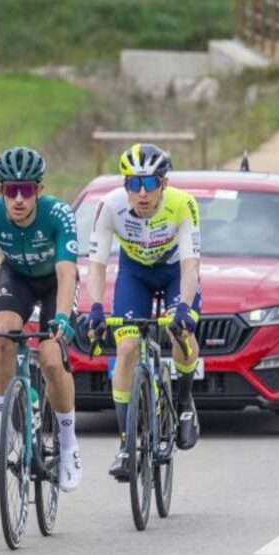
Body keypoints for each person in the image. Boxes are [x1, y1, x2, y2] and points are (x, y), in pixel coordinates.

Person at [0, 146, 82, 492]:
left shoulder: (59, 214)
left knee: (51, 358)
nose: (18, 199)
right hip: (18, 278)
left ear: (39, 190)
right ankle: (4, 430)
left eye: (26, 190)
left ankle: (69, 446)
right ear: (0, 191)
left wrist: (61, 319)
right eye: (11, 190)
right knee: (2, 335)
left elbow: (68, 272)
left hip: (55, 281)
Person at [84, 143, 202, 480]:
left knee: (181, 333)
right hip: (134, 274)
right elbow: (97, 265)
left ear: (164, 183)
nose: (142, 193)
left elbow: (191, 263)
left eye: (149, 183)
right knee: (125, 348)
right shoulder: (110, 206)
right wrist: (95, 308)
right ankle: (125, 444)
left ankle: (183, 402)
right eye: (133, 184)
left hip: (175, 271)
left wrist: (183, 309)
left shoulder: (183, 204)